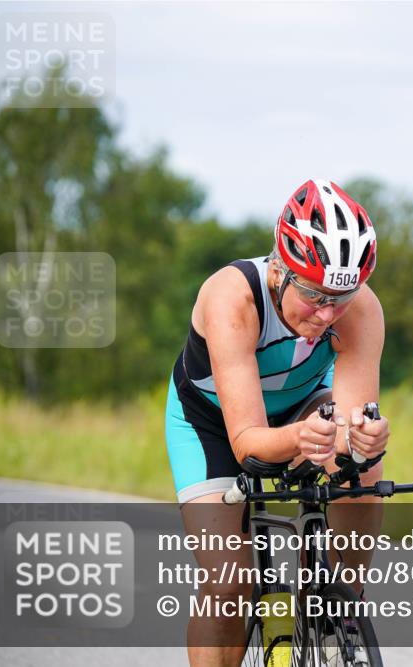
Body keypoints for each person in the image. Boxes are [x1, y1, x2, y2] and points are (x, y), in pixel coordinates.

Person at [164, 178, 388, 666]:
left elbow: (350, 427)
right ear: (283, 266)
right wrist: (298, 440)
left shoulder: (361, 309)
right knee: (229, 581)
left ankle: (341, 605)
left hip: (303, 405)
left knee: (363, 471)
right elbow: (247, 444)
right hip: (213, 423)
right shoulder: (232, 297)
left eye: (341, 298)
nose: (328, 313)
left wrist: (362, 439)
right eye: (314, 295)